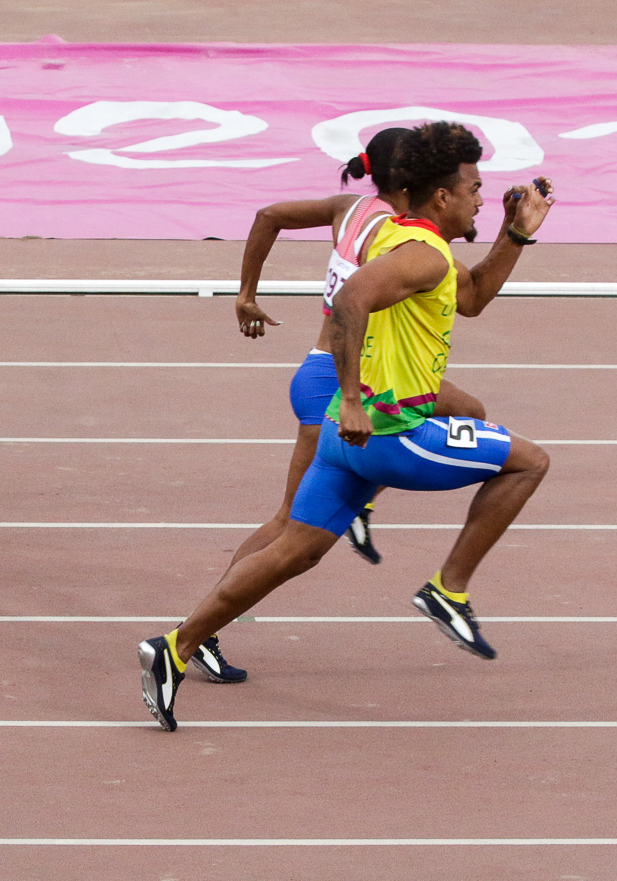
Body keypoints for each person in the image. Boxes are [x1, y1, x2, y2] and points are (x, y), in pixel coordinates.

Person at [140, 121, 556, 731]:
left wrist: (515, 233)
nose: (482, 197)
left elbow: (471, 298)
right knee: (530, 462)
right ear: (441, 197)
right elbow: (352, 297)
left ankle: (174, 647)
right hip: (392, 436)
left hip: (341, 441)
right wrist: (357, 397)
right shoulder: (421, 252)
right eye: (475, 188)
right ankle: (449, 588)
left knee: (293, 551)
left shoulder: (399, 234)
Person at [202, 128, 503, 684]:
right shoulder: (396, 235)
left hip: (343, 371)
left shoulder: (351, 210)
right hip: (336, 380)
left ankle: (361, 501)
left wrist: (245, 294)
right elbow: (463, 296)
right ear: (414, 181)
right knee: (291, 530)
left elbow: (268, 214)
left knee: (471, 412)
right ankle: (205, 630)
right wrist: (356, 396)